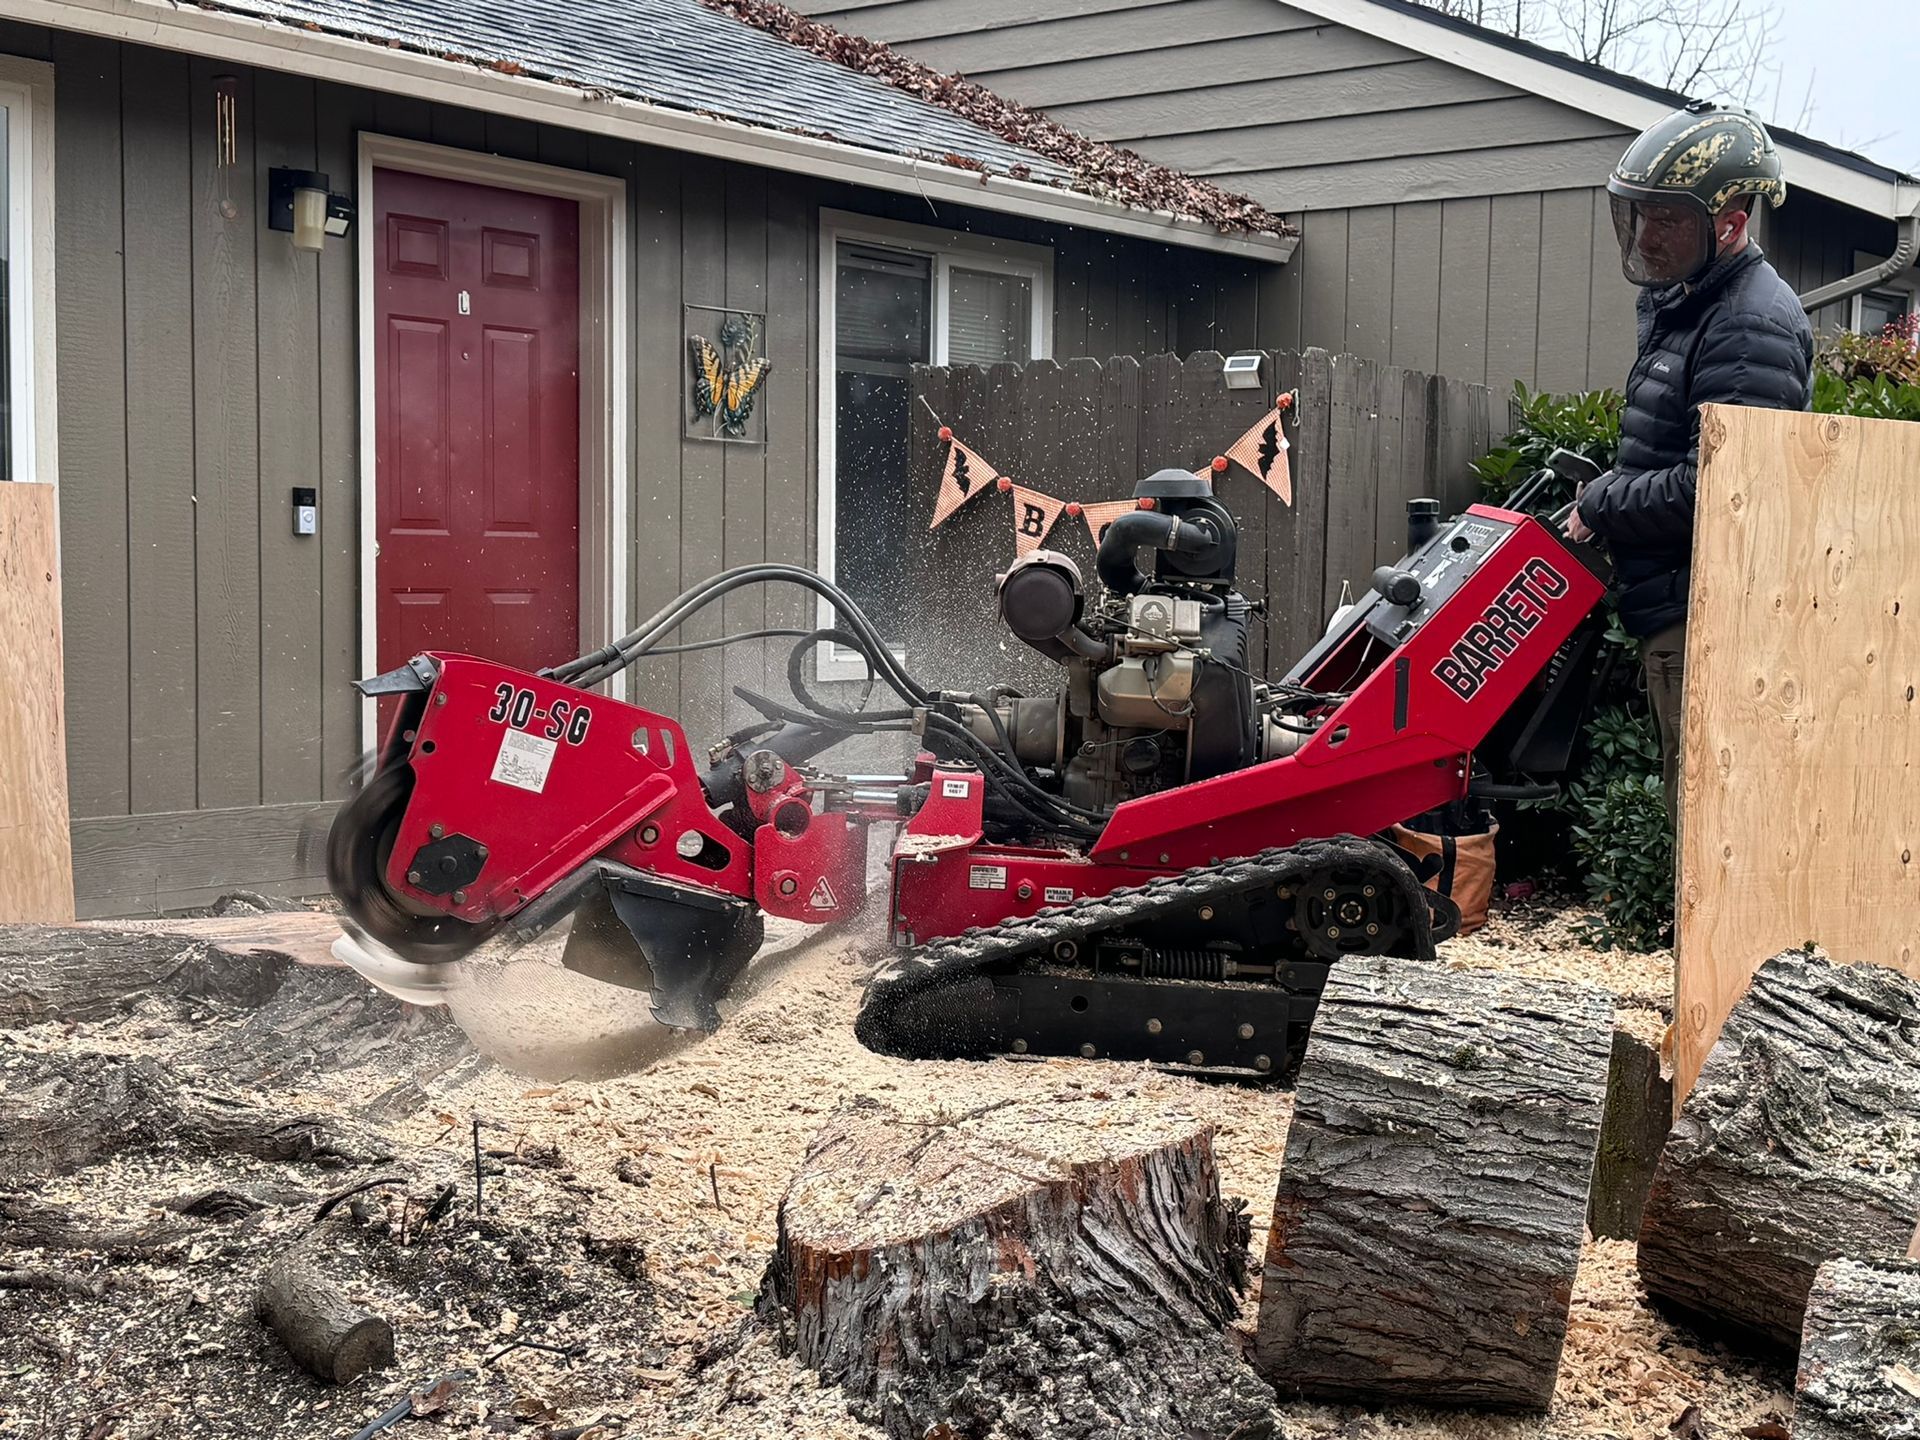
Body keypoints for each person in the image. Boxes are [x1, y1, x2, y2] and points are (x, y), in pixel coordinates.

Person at [1566, 100, 1813, 826]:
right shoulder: (1689, 305)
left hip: (1706, 613)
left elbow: (1724, 489)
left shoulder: (1748, 323)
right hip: (1671, 603)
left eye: (1667, 218)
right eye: (1638, 213)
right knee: (1694, 803)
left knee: (1709, 820)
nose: (1646, 233)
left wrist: (1603, 503)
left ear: (1732, 220)